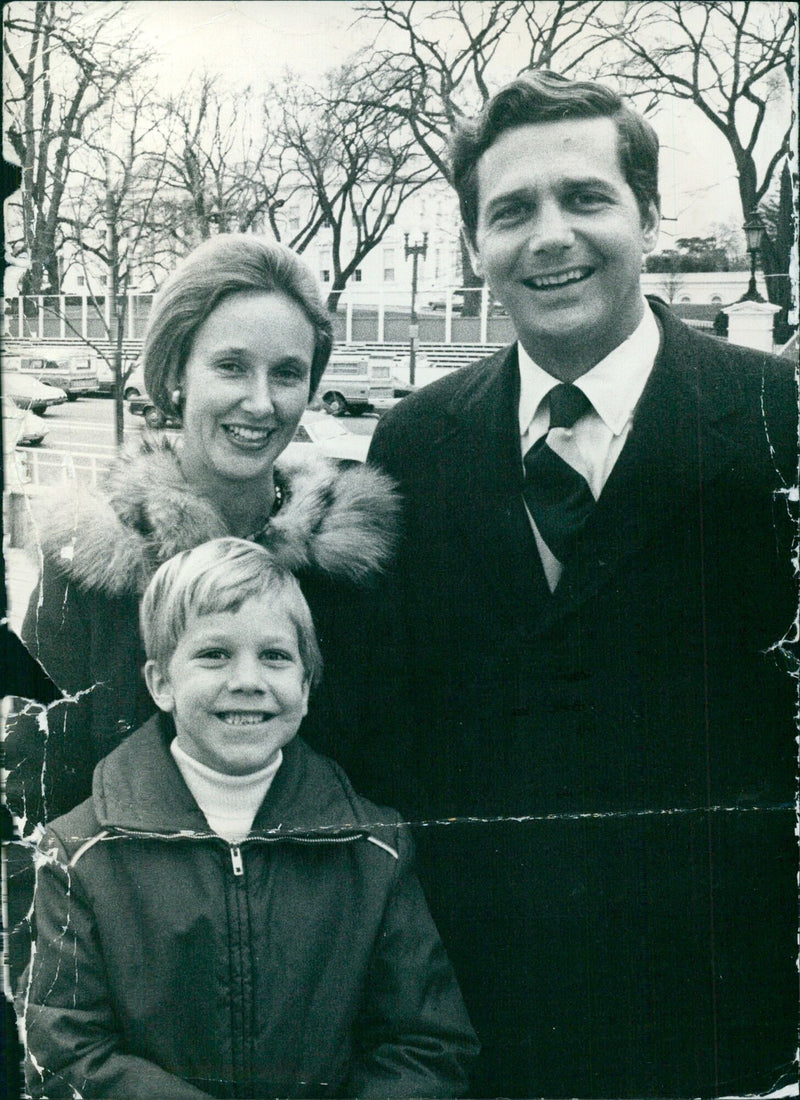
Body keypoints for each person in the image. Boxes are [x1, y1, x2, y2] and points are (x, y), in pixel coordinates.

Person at [346, 72, 797, 1098]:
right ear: (472, 246)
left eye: (584, 197)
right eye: (510, 210)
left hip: (727, 1028)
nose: (548, 235)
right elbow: (382, 731)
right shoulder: (413, 441)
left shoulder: (778, 419)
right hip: (479, 1026)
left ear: (645, 214)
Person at [21, 538, 478, 1099]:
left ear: (306, 689)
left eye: (275, 656)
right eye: (214, 654)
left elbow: (426, 1043)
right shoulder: (79, 851)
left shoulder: (374, 847)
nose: (248, 680)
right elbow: (63, 1052)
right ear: (160, 683)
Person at [6, 234, 398, 828]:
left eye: (287, 373)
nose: (261, 403)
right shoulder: (88, 566)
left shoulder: (350, 564)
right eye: (231, 367)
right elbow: (35, 802)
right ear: (176, 374)